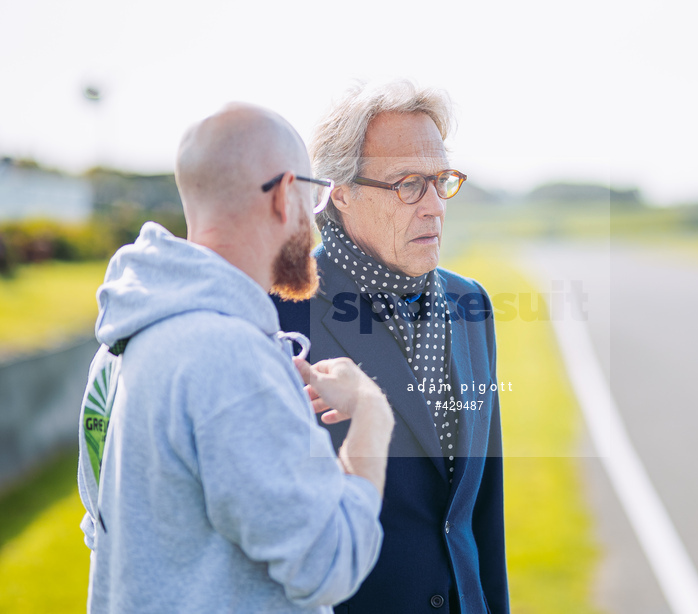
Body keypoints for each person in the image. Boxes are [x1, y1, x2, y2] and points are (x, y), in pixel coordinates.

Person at [76, 103, 395, 613]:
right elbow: (331, 562)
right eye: (313, 200)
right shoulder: (230, 359)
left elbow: (107, 525)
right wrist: (373, 413)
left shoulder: (117, 348)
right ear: (284, 195)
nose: (314, 228)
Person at [274, 81, 509, 614]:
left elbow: (480, 510)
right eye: (408, 184)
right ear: (340, 191)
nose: (434, 208)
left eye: (440, 181)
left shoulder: (470, 304)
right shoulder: (279, 310)